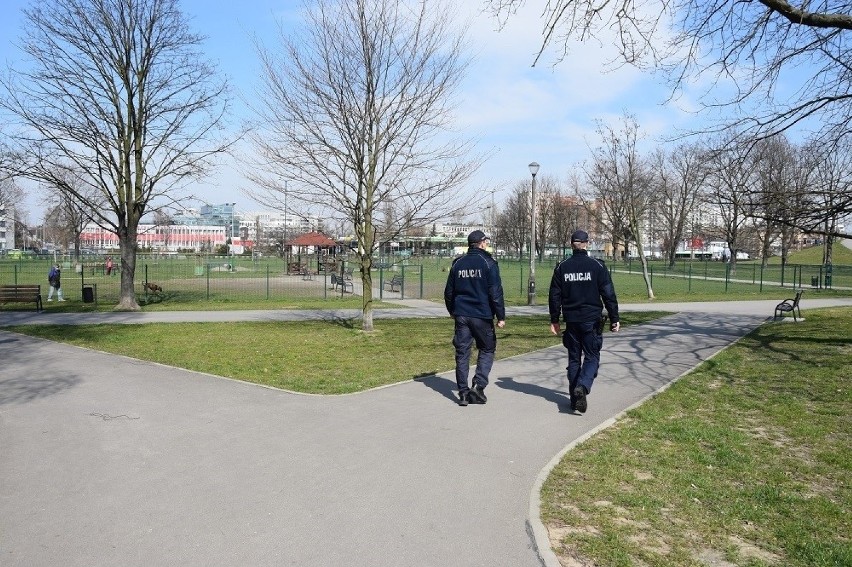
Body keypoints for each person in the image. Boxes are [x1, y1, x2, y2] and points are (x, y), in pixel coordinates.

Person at [548, 230, 619, 413]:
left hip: (571, 321)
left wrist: (554, 319)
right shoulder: (597, 266)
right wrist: (614, 318)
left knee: (573, 359)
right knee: (592, 357)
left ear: (572, 244)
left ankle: (574, 398)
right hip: (591, 321)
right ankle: (583, 386)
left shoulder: (562, 267)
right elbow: (608, 294)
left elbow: (554, 296)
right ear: (587, 244)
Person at [444, 230, 506, 406]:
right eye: (485, 241)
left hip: (462, 314)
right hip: (482, 315)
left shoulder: (458, 264)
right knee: (487, 348)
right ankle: (478, 386)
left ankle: (463, 393)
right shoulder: (488, 263)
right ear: (482, 243)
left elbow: (449, 291)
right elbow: (495, 293)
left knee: (462, 353)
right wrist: (500, 316)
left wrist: (452, 311)